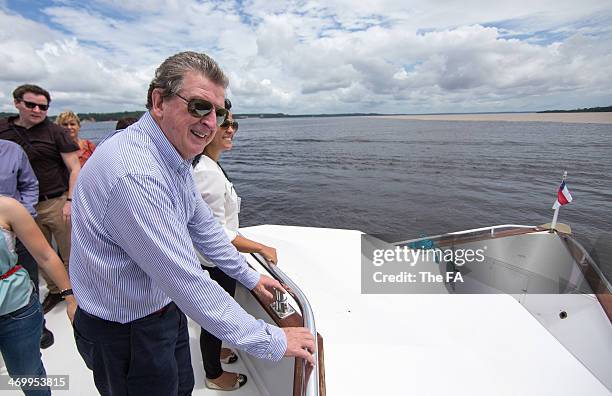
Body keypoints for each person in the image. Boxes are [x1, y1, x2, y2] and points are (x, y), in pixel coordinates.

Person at [70, 51, 314, 396]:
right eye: (200, 106)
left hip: (160, 310)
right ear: (159, 101)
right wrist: (272, 340)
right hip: (125, 331)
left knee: (181, 387)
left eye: (220, 111)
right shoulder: (135, 175)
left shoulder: (172, 155)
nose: (211, 122)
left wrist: (249, 276)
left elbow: (204, 227)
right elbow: (185, 279)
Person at [192, 101, 278, 390]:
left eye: (234, 125)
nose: (231, 130)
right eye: (224, 124)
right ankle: (214, 375)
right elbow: (218, 233)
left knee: (215, 320)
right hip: (214, 263)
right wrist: (260, 248)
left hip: (213, 260)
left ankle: (215, 351)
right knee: (215, 319)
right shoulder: (206, 172)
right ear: (209, 129)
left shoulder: (209, 166)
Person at [0, 84, 81, 315]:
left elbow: (74, 167)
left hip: (55, 201)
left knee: (70, 251)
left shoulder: (55, 132)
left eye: (43, 107)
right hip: (17, 208)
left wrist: (70, 200)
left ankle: (78, 293)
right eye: (31, 104)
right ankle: (56, 290)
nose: (37, 110)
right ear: (17, 103)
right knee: (36, 254)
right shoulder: (4, 130)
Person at [0, 196, 77, 396]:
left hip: (15, 310)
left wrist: (70, 298)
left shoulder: (7, 207)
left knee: (26, 374)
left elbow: (46, 255)